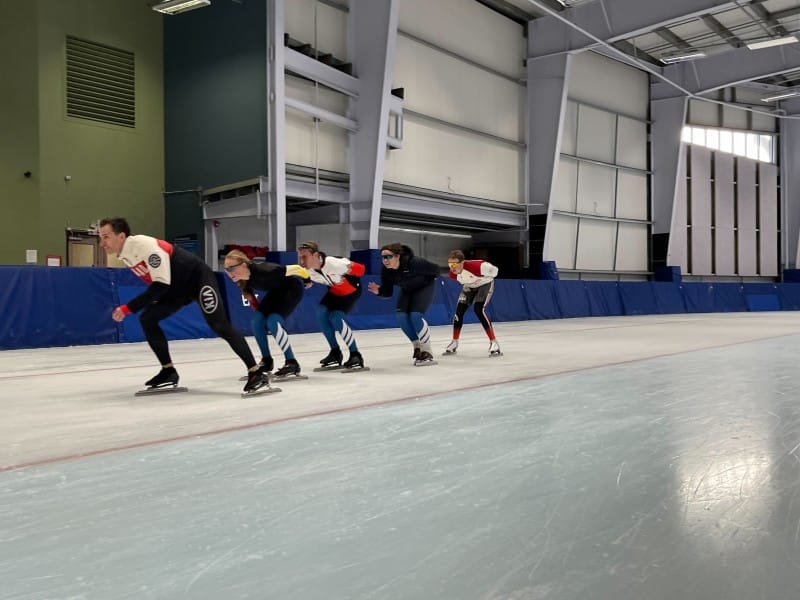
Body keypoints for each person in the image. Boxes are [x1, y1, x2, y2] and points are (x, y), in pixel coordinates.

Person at [97, 217, 268, 394]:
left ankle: (256, 372)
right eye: (101, 238)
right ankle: (168, 371)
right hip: (176, 288)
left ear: (122, 236)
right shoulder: (126, 254)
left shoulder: (144, 246)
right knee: (148, 318)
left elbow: (160, 285)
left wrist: (127, 308)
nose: (102, 243)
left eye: (106, 237)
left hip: (198, 279)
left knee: (219, 325)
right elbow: (160, 283)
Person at [223, 249, 308, 378]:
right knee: (257, 321)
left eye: (231, 269)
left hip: (292, 288)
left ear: (244, 265)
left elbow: (297, 268)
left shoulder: (265, 269)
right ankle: (266, 361)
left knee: (273, 321)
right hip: (276, 291)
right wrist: (260, 316)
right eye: (226, 270)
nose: (229, 273)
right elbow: (254, 302)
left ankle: (292, 362)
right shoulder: (243, 281)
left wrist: (307, 280)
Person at [367, 243, 440, 365]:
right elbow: (388, 292)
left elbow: (436, 270)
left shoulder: (415, 263)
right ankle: (417, 346)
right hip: (407, 289)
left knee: (415, 316)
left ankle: (427, 351)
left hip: (424, 286)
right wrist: (379, 291)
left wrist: (430, 279)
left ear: (398, 256)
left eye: (388, 257)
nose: (385, 260)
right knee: (401, 317)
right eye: (383, 257)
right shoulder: (386, 271)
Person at [297, 241, 367, 370]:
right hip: (335, 291)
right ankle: (335, 352)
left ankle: (355, 354)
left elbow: (361, 269)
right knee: (320, 313)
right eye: (300, 257)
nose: (301, 260)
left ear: (315, 255)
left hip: (351, 291)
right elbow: (305, 274)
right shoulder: (308, 269)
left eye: (304, 256)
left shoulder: (334, 263)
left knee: (336, 318)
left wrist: (348, 276)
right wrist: (306, 281)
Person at [443, 250, 501, 356]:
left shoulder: (478, 267)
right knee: (458, 313)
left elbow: (495, 271)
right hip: (469, 286)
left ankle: (494, 342)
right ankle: (454, 342)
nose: (452, 267)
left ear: (462, 262)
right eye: (450, 264)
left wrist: (486, 278)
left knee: (479, 309)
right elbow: (465, 280)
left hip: (485, 284)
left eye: (454, 264)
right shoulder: (452, 274)